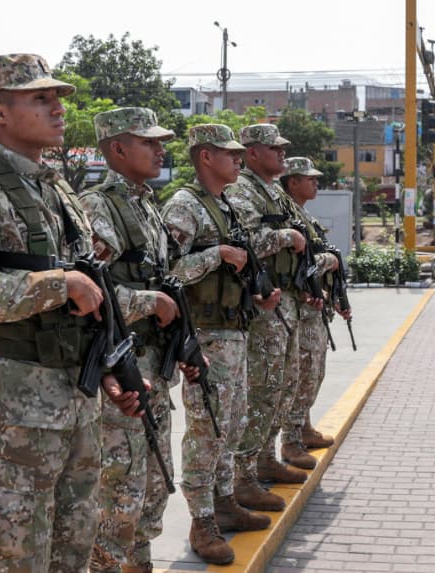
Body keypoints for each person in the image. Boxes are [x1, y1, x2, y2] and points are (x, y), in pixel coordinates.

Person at [0, 53, 145, 572]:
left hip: (76, 403)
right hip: (13, 416)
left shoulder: (57, 189)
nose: (58, 108)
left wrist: (110, 369)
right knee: (13, 556)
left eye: (57, 98)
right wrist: (57, 283)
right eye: (41, 98)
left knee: (72, 549)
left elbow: (93, 294)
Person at [79, 107, 184, 573]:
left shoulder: (147, 206)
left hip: (155, 364)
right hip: (123, 368)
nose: (161, 150)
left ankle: (137, 564)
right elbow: (87, 293)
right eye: (149, 142)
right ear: (117, 149)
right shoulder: (99, 208)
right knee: (120, 491)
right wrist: (150, 302)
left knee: (155, 485)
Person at [161, 124, 271, 565]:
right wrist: (216, 256)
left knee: (231, 421)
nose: (239, 159)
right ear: (205, 156)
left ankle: (224, 500)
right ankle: (201, 519)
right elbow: (167, 269)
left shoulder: (224, 206)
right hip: (204, 333)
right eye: (230, 153)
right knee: (206, 429)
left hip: (235, 329)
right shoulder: (184, 206)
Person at [225, 124, 309, 511]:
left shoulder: (272, 191)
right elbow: (246, 243)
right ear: (252, 152)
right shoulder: (242, 190)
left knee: (283, 385)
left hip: (284, 301)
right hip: (262, 305)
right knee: (262, 390)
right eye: (273, 149)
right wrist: (286, 237)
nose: (281, 154)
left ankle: (265, 459)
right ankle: (243, 477)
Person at [280, 157, 349, 464]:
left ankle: (303, 427)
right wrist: (329, 262)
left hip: (313, 307)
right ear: (292, 181)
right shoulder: (287, 216)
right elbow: (301, 264)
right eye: (309, 178)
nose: (315, 183)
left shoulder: (303, 216)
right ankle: (291, 440)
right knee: (303, 374)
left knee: (313, 372)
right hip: (299, 307)